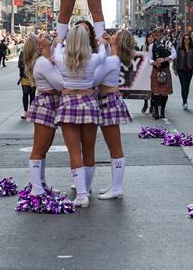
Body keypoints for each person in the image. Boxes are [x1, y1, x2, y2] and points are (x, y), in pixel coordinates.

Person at [53, 25, 104, 208]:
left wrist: (59, 42)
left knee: (74, 151)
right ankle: (87, 188)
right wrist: (101, 41)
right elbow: (104, 55)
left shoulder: (60, 59)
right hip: (89, 103)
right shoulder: (95, 58)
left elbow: (56, 50)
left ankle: (81, 194)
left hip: (68, 104)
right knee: (89, 150)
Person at [93, 29, 135, 200]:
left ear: (117, 40)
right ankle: (114, 185)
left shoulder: (110, 60)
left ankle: (117, 187)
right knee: (113, 146)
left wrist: (102, 47)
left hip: (108, 101)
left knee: (114, 147)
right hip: (109, 100)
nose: (111, 34)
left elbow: (93, 80)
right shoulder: (113, 58)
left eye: (115, 34)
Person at [24, 31, 64, 195]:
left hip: (49, 103)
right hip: (47, 104)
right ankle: (37, 189)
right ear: (39, 46)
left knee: (43, 148)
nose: (44, 35)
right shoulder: (43, 63)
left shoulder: (46, 60)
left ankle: (40, 184)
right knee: (39, 149)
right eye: (39, 37)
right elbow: (60, 85)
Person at [148, 27, 176, 119]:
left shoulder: (168, 43)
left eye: (158, 35)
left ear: (162, 34)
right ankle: (156, 111)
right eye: (155, 35)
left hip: (165, 69)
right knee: (156, 92)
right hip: (156, 69)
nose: (157, 37)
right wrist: (154, 63)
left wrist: (164, 59)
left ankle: (162, 110)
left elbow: (174, 54)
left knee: (164, 93)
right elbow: (149, 58)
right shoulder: (152, 46)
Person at [175, 34, 193, 110]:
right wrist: (175, 69)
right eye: (185, 39)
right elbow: (176, 59)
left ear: (190, 40)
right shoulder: (179, 48)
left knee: (187, 86)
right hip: (181, 70)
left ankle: (185, 99)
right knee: (183, 85)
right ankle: (184, 102)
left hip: (189, 70)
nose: (186, 40)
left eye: (188, 39)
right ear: (183, 40)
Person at [18, 36, 37, 119]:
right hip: (25, 76)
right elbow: (20, 65)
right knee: (25, 93)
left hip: (33, 76)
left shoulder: (36, 53)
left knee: (32, 94)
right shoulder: (22, 53)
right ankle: (25, 111)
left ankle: (31, 110)